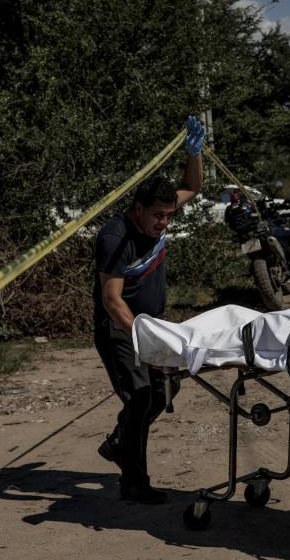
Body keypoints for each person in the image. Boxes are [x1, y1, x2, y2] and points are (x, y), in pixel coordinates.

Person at [93, 115, 205, 504]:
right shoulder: (114, 238)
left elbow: (192, 186)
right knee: (140, 396)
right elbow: (112, 301)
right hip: (121, 331)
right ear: (138, 208)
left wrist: (195, 153)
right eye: (158, 215)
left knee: (164, 391)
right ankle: (134, 483)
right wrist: (144, 340)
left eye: (169, 215)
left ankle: (118, 443)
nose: (164, 222)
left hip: (153, 325)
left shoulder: (160, 213)